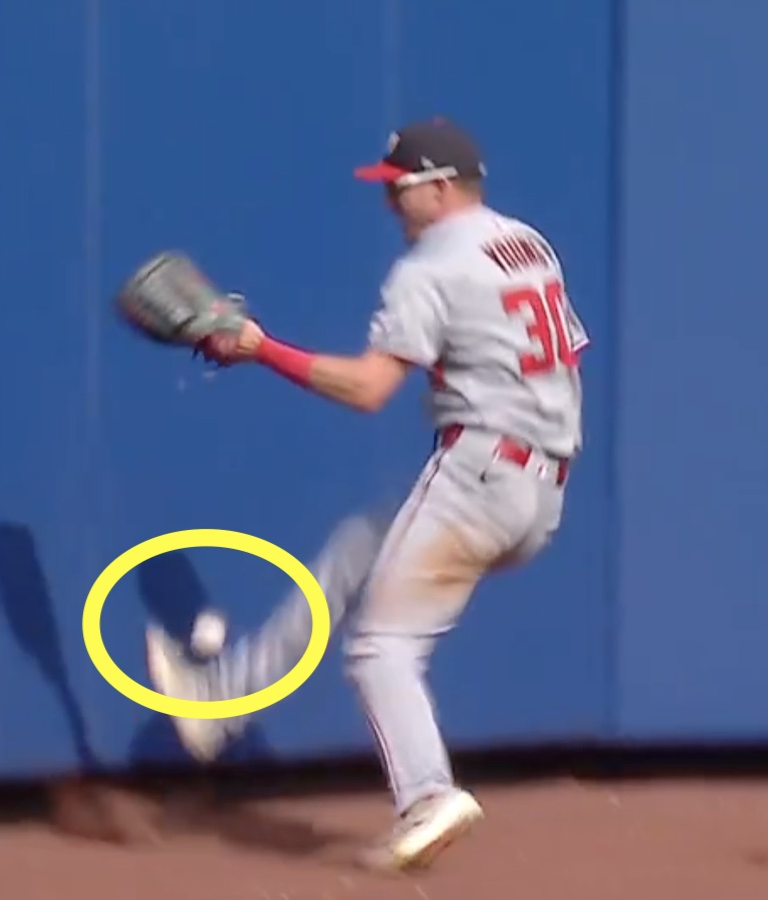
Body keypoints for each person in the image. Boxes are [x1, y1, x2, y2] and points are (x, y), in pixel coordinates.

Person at [144, 117, 590, 873]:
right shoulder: (527, 242)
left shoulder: (430, 267)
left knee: (382, 648)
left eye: (400, 189)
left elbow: (368, 389)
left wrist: (260, 348)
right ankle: (221, 704)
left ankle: (426, 796)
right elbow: (559, 351)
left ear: (441, 187)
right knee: (358, 548)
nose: (390, 204)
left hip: (479, 474)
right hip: (541, 486)